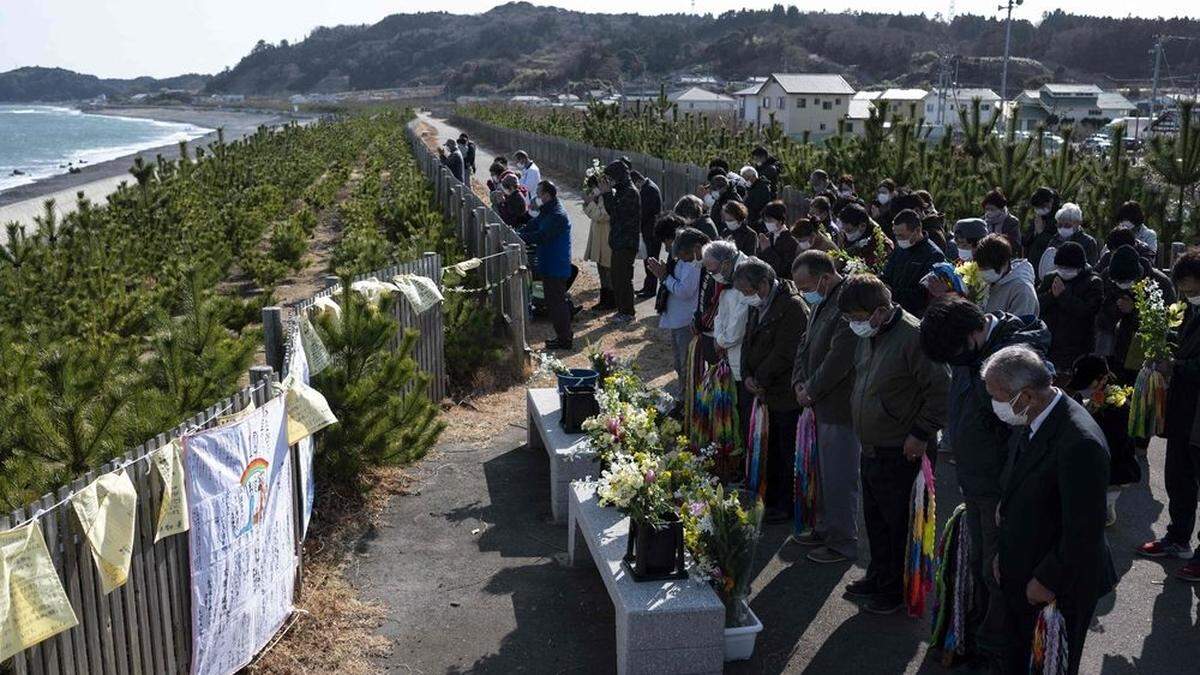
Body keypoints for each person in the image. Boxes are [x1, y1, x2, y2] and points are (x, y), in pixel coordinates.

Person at [920, 297, 1051, 663]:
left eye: (955, 354)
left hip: (999, 490)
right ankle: (972, 634)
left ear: (975, 332)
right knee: (978, 564)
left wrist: (1008, 495)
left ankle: (992, 650)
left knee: (997, 572)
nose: (954, 363)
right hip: (976, 481)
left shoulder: (1014, 363)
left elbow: (1021, 439)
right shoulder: (970, 350)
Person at [982, 345, 1115, 674]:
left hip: (1056, 585)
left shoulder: (1079, 442)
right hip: (1025, 567)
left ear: (1025, 395)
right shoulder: (1038, 417)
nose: (995, 406)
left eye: (998, 398)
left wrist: (1047, 579)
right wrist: (1004, 551)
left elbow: (1084, 529)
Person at [839, 274, 950, 614]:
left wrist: (920, 433)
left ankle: (895, 591)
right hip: (872, 445)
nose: (854, 325)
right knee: (875, 519)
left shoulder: (913, 337)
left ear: (880, 311)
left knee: (898, 523)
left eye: (858, 318)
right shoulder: (871, 334)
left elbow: (940, 389)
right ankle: (878, 576)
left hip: (901, 448)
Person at [791, 250, 861, 564]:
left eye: (806, 285)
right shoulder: (823, 301)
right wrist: (799, 382)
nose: (803, 292)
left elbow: (840, 358)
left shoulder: (847, 301)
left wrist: (812, 389)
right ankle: (823, 527)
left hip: (837, 404)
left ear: (825, 276)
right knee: (819, 472)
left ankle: (842, 541)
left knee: (838, 476)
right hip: (817, 400)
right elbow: (805, 343)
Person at [1137, 250, 1200, 580]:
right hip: (1183, 411)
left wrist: (1175, 366)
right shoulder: (1189, 310)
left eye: (1190, 287)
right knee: (1178, 477)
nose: (1186, 294)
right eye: (1183, 289)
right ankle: (1177, 537)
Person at [735, 257, 809, 524]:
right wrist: (746, 374)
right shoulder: (759, 305)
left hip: (782, 393)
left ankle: (783, 504)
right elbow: (747, 340)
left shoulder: (792, 307)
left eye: (749, 291)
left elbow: (787, 352)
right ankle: (767, 496)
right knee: (767, 447)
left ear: (764, 283)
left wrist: (761, 378)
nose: (747, 298)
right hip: (762, 389)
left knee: (784, 450)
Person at [1066, 354, 1141, 527]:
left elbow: (1113, 450)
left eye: (1087, 383)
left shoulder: (1118, 408)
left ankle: (1104, 503)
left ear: (1104, 379)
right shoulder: (1083, 396)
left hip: (1112, 466)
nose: (1083, 389)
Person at [1098, 245, 1175, 385]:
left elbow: (1166, 322)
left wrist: (1134, 310)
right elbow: (1101, 318)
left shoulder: (1160, 283)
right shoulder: (1108, 278)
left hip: (1146, 354)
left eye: (1125, 281)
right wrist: (1117, 309)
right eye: (1118, 282)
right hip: (1115, 351)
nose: (1121, 285)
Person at [649, 226, 708, 388]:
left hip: (687, 321)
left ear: (695, 249)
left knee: (687, 365)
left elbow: (685, 291)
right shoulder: (684, 261)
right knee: (678, 363)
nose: (683, 259)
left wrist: (664, 277)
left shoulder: (694, 264)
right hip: (677, 319)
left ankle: (688, 401)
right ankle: (683, 399)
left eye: (684, 256)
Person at [517, 181, 572, 349]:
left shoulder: (557, 215)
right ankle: (562, 336)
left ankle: (565, 339)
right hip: (549, 263)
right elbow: (534, 225)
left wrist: (521, 237)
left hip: (556, 265)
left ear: (547, 195)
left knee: (557, 303)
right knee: (553, 301)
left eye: (539, 194)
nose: (536, 198)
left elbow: (542, 235)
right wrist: (519, 232)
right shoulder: (548, 211)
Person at [1037, 242, 1104, 374]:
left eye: (1068, 268)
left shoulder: (1093, 282)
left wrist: (1063, 296)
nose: (1064, 271)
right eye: (1061, 267)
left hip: (1078, 347)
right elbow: (1037, 305)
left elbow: (1088, 312)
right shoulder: (1051, 278)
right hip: (1050, 345)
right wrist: (1051, 295)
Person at [881, 208, 945, 316]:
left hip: (912, 314)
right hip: (890, 307)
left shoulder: (933, 255)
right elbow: (887, 273)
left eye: (901, 235)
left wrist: (891, 292)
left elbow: (922, 295)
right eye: (895, 235)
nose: (898, 239)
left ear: (917, 230)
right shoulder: (900, 248)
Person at [602, 160, 641, 324]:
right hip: (619, 241)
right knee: (617, 277)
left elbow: (615, 212)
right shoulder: (622, 190)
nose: (610, 181)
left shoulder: (630, 192)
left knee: (623, 278)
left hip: (626, 242)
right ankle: (621, 309)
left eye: (611, 178)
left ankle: (627, 312)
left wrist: (606, 194)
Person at [696, 240, 740, 367]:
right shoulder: (725, 276)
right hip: (722, 341)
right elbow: (721, 314)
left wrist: (720, 341)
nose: (712, 275)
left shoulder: (741, 279)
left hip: (734, 348)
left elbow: (738, 323)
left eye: (713, 272)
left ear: (725, 264)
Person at [975, 234, 1039, 318]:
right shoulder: (989, 282)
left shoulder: (1022, 290)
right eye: (981, 267)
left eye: (988, 268)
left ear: (1005, 263)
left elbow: (1019, 327)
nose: (984, 272)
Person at [1037, 203, 1099, 278]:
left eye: (1067, 225)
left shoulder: (1088, 242)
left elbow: (1090, 268)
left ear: (1077, 223)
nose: (1062, 228)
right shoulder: (1054, 240)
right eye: (1059, 225)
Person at [583, 172, 615, 312]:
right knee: (601, 268)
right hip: (599, 236)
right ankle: (604, 299)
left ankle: (611, 301)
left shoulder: (609, 197)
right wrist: (589, 201)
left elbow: (602, 216)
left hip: (607, 237)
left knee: (608, 270)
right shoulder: (599, 197)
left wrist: (590, 203)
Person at [632, 170, 664, 299]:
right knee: (648, 261)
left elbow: (645, 212)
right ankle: (647, 286)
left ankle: (650, 290)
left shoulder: (649, 190)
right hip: (649, 230)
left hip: (652, 232)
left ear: (638, 181)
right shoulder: (648, 187)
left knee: (651, 261)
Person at [838, 202, 893, 269]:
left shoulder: (882, 245)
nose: (845, 232)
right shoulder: (844, 235)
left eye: (848, 230)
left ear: (862, 226)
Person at [756, 201, 799, 279]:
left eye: (770, 220)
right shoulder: (768, 236)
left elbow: (784, 269)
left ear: (780, 220)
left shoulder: (791, 240)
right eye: (765, 220)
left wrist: (767, 250)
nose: (767, 223)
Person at [1024, 187, 1060, 279]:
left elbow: (1055, 244)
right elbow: (1026, 241)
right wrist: (1035, 233)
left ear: (1051, 202)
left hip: (1048, 269)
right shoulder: (1038, 219)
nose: (1039, 209)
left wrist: (1041, 233)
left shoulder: (1059, 220)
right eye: (1037, 207)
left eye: (1042, 206)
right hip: (1032, 267)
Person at [982, 187, 1023, 256]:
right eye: (987, 209)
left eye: (992, 209)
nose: (989, 212)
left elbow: (1016, 244)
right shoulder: (983, 221)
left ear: (1000, 208)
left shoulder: (1011, 222)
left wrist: (998, 238)